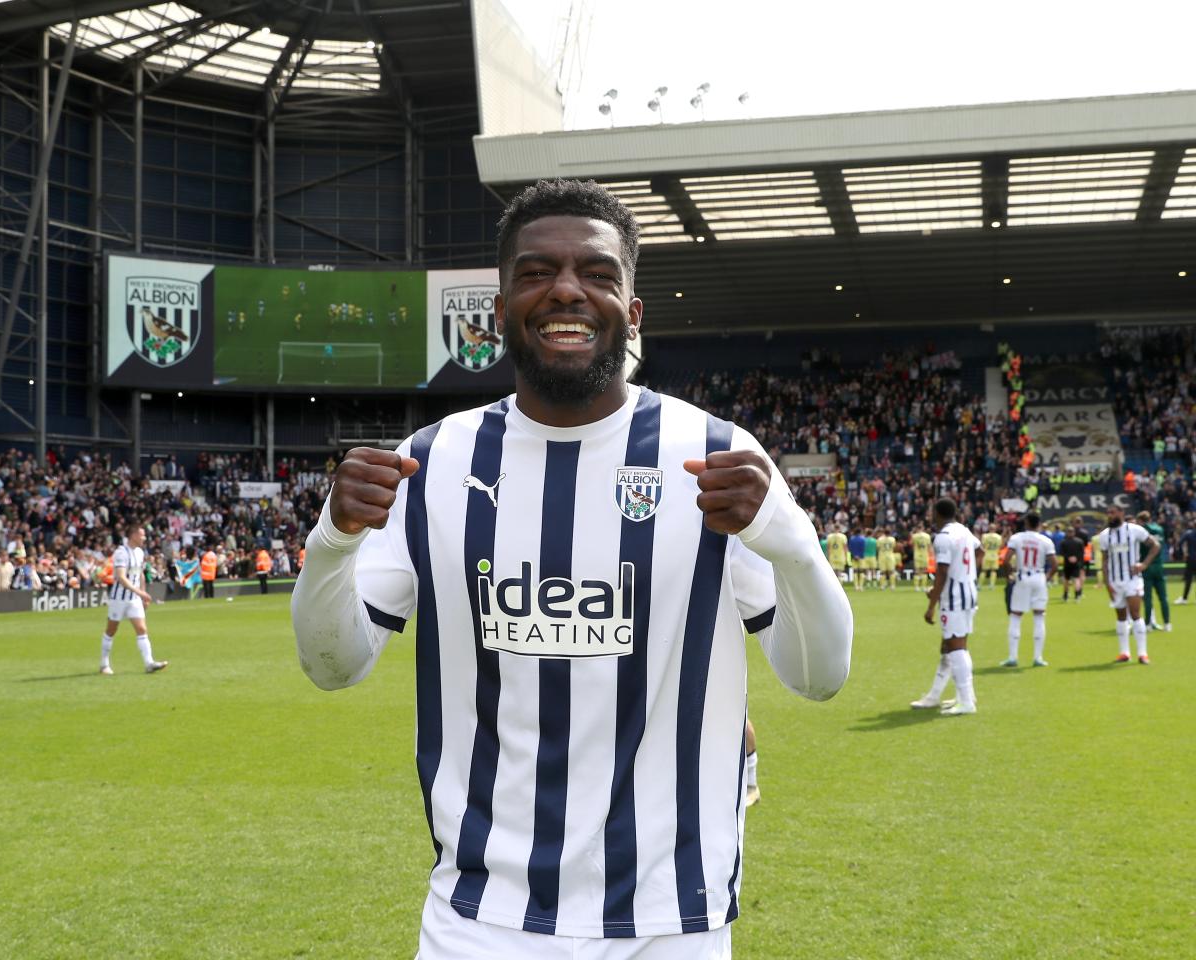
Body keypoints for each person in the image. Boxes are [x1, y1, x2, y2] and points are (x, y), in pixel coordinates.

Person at [291, 179, 853, 958]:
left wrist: (790, 538)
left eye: (596, 273)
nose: (565, 290)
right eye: (535, 272)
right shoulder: (431, 463)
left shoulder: (719, 457)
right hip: (479, 920)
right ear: (498, 310)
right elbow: (333, 665)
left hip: (669, 920)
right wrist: (333, 538)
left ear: (633, 310)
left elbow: (820, 676)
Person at [912, 498, 982, 715]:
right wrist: (967, 575)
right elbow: (980, 553)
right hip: (969, 592)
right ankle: (943, 696)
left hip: (954, 598)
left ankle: (967, 702)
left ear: (937, 514)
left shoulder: (943, 537)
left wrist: (932, 603)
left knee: (955, 647)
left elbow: (942, 571)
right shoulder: (964, 530)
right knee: (952, 646)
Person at [97, 525, 168, 676]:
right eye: (142, 535)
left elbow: (140, 574)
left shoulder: (140, 552)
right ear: (133, 535)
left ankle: (149, 663)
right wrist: (139, 592)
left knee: (142, 629)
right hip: (119, 598)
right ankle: (104, 664)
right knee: (111, 630)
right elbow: (121, 577)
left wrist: (143, 593)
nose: (144, 538)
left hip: (134, 599)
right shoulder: (121, 552)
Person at [1098, 505, 1161, 664]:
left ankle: (1142, 653)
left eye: (1112, 512)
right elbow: (1105, 560)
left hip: (1132, 579)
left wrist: (1144, 564)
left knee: (1135, 613)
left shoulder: (1134, 530)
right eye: (1108, 513)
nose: (1110, 515)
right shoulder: (1105, 535)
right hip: (1115, 581)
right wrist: (1107, 583)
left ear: (1121, 513)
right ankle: (1124, 652)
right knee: (1120, 617)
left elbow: (1155, 545)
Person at [1002, 512, 1057, 667]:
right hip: (1039, 577)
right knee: (1039, 616)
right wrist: (1045, 578)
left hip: (1022, 577)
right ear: (1039, 524)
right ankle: (1038, 657)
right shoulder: (1045, 540)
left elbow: (1006, 560)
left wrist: (1009, 576)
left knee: (1016, 616)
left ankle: (1013, 657)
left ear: (1026, 523)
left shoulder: (1017, 538)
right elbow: (1054, 565)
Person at [1136, 511, 1172, 632]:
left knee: (1147, 598)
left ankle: (1148, 624)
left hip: (1146, 566)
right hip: (1159, 565)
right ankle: (1167, 623)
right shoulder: (1159, 529)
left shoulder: (1142, 531)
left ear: (1140, 520)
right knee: (1163, 597)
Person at [1059, 522, 1086, 602]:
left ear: (1067, 533)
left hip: (1067, 563)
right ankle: (1077, 595)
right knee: (1076, 579)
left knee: (1066, 580)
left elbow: (1061, 553)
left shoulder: (1063, 542)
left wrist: (1068, 557)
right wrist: (1076, 558)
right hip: (1076, 563)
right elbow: (1082, 553)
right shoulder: (1079, 541)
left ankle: (1065, 595)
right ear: (1074, 532)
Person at [910, 524, 932, 591]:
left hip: (917, 555)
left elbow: (912, 545)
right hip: (925, 555)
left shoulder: (914, 536)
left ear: (917, 529)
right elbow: (929, 546)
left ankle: (916, 587)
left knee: (917, 571)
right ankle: (924, 587)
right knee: (924, 571)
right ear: (923, 528)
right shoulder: (927, 536)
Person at [1178, 523, 1196, 604]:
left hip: (1191, 559)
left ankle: (1184, 599)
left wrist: (1184, 553)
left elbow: (1180, 543)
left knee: (1188, 580)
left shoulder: (1189, 533)